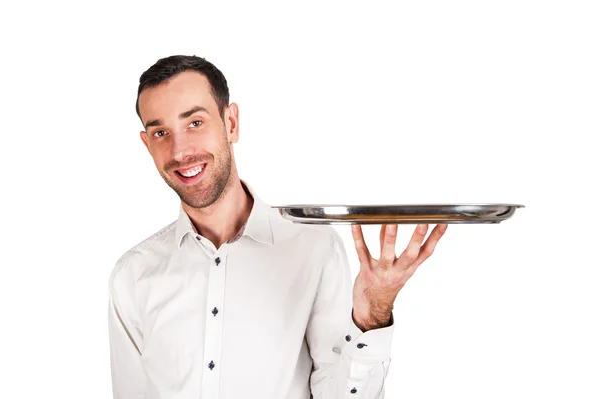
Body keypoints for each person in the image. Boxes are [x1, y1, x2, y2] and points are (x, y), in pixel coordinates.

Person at [108, 55, 447, 399]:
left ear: (231, 123)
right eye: (161, 132)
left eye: (195, 122)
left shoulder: (313, 248)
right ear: (147, 143)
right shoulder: (133, 275)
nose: (180, 151)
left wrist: (371, 315)